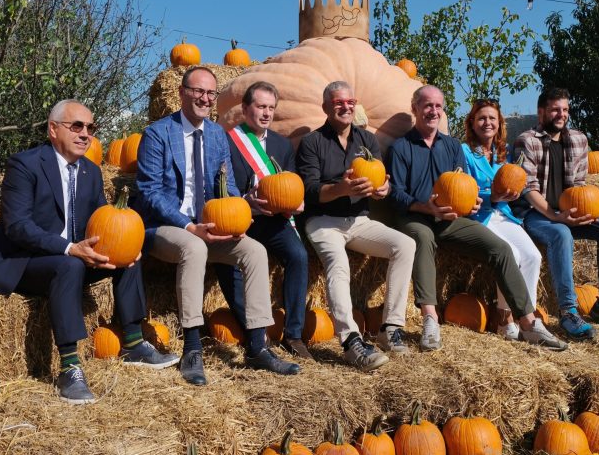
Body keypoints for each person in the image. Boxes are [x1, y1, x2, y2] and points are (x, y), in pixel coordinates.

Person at [0, 100, 178, 405]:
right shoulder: (25, 165)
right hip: (24, 261)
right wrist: (68, 248)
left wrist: (121, 247)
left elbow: (102, 224)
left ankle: (133, 341)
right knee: (69, 265)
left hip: (71, 257)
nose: (85, 134)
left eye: (90, 128)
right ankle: (69, 367)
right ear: (53, 129)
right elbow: (17, 227)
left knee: (127, 256)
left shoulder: (91, 171)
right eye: (76, 126)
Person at [134, 66, 300, 385]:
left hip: (208, 225)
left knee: (253, 251)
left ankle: (257, 347)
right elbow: (149, 193)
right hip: (166, 228)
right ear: (182, 93)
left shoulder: (215, 135)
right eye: (197, 91)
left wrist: (238, 212)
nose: (204, 98)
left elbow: (228, 187)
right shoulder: (157, 134)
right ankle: (192, 348)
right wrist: (188, 225)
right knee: (194, 246)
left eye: (210, 93)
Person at [386, 85, 567, 351]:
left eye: (438, 106)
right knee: (423, 238)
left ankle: (528, 322)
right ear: (414, 109)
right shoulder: (401, 147)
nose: (433, 111)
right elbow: (395, 195)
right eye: (427, 105)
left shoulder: (450, 146)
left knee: (501, 248)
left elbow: (462, 186)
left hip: (449, 218)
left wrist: (471, 204)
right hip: (415, 216)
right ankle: (430, 318)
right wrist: (427, 208)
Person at [295, 81, 415, 371]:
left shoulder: (367, 141)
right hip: (323, 221)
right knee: (338, 264)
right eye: (338, 103)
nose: (345, 107)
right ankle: (351, 341)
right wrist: (341, 189)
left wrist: (382, 189)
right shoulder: (312, 142)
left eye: (349, 102)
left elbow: (380, 181)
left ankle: (390, 327)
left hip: (359, 220)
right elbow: (309, 192)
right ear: (326, 107)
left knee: (405, 245)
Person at [512, 87, 599, 339]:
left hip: (568, 211)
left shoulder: (579, 140)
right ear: (542, 111)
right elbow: (527, 188)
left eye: (565, 109)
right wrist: (555, 216)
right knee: (561, 234)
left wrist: (587, 211)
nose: (561, 114)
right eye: (556, 109)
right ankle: (568, 311)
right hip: (537, 214)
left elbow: (579, 184)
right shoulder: (527, 140)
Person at [214, 81, 312, 360]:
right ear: (245, 109)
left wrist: (297, 202)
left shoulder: (282, 144)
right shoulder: (227, 141)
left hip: (273, 221)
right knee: (225, 264)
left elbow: (292, 182)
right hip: (239, 219)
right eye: (260, 107)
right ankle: (255, 331)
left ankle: (293, 334)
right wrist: (246, 202)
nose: (266, 113)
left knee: (298, 256)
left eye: (271, 108)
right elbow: (218, 186)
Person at [462, 99, 566, 348]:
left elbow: (514, 184)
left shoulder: (503, 154)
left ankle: (523, 318)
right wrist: (492, 196)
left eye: (492, 119)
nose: (487, 123)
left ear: (499, 125)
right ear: (472, 124)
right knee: (513, 254)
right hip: (480, 216)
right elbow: (461, 190)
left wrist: (512, 192)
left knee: (532, 256)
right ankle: (505, 318)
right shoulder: (464, 152)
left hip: (503, 214)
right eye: (482, 118)